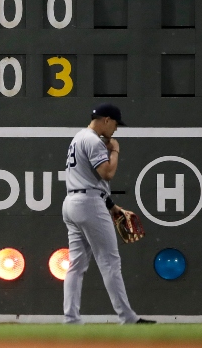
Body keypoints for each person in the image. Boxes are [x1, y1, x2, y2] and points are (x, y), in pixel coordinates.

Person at [62, 103, 155, 325]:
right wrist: (115, 151)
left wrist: (112, 206)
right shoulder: (94, 140)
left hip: (72, 202)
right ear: (106, 120)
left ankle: (71, 319)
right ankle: (127, 317)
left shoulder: (78, 138)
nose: (115, 129)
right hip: (89, 203)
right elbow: (107, 173)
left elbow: (90, 181)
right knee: (110, 262)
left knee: (75, 265)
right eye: (115, 124)